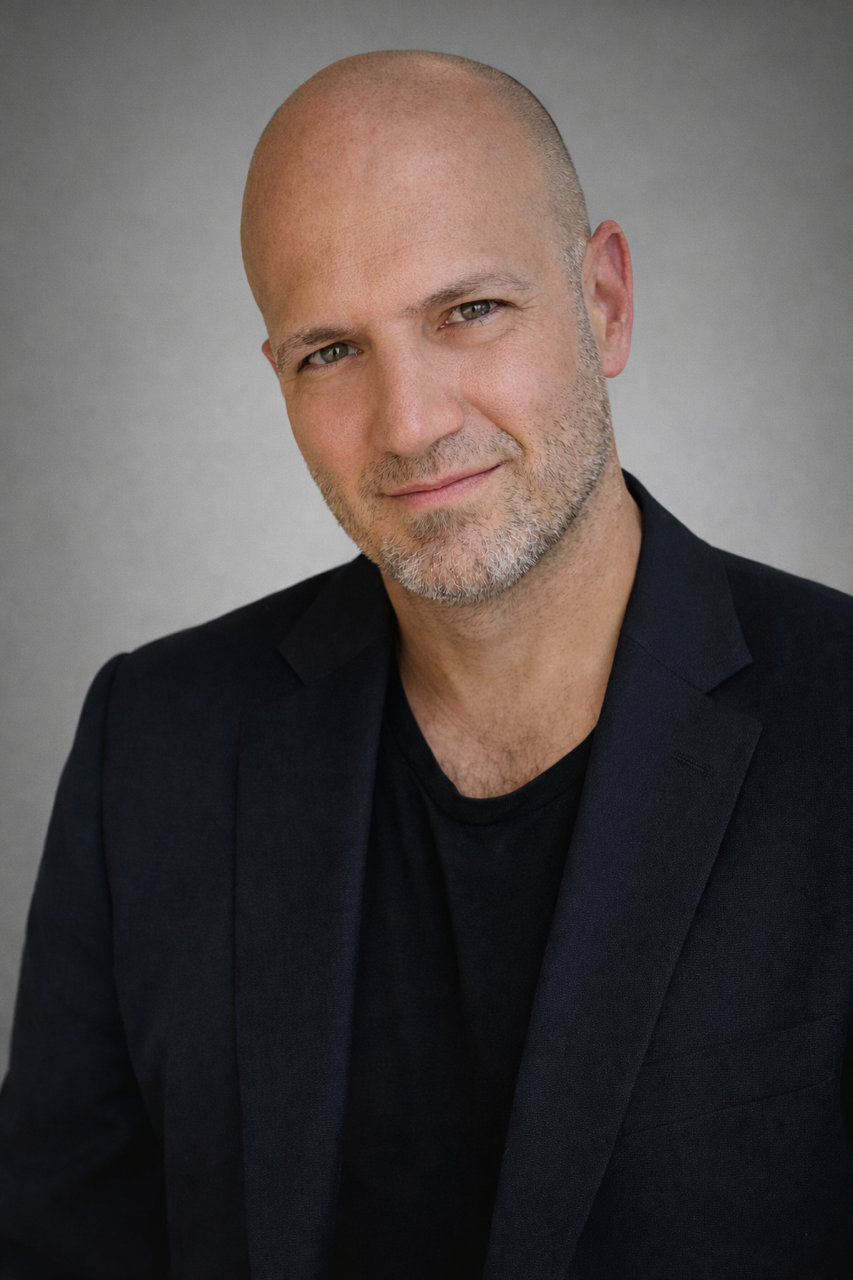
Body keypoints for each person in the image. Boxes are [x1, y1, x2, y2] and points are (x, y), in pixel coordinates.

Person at [0, 47, 851, 1280]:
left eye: (468, 310)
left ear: (603, 300)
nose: (409, 423)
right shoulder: (154, 741)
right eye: (331, 351)